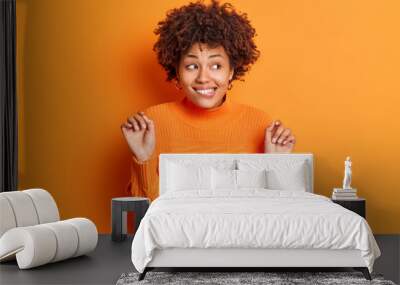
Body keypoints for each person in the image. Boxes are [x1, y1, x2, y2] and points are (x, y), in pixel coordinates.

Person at [121, 0, 296, 200]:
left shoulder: (260, 124)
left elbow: (268, 213)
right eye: (192, 66)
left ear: (231, 71)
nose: (203, 78)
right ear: (177, 71)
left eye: (215, 66)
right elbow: (146, 217)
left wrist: (275, 165)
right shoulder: (152, 123)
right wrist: (143, 158)